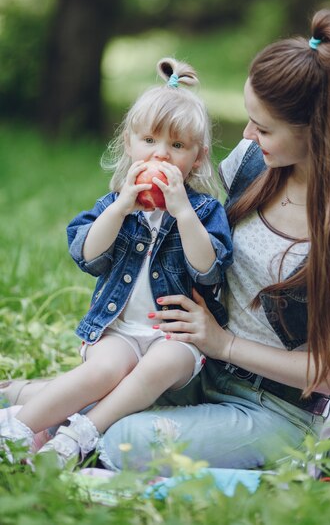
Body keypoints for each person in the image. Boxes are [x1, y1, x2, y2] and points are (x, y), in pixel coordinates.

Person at [1, 9, 330, 474]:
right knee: (104, 381)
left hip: (270, 406)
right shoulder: (255, 165)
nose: (249, 136)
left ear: (317, 130)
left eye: (264, 127)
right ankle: (22, 402)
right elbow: (186, 237)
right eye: (251, 120)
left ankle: (329, 450)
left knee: (122, 440)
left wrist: (224, 343)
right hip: (195, 368)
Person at [0, 57, 233, 467]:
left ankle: (80, 434)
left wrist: (182, 212)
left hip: (176, 339)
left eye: (177, 146)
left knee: (162, 362)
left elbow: (209, 268)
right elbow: (86, 255)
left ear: (197, 158)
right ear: (129, 143)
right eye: (149, 141)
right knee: (104, 369)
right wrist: (122, 206)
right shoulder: (116, 204)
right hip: (119, 330)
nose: (161, 155)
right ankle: (16, 430)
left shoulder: (204, 211)